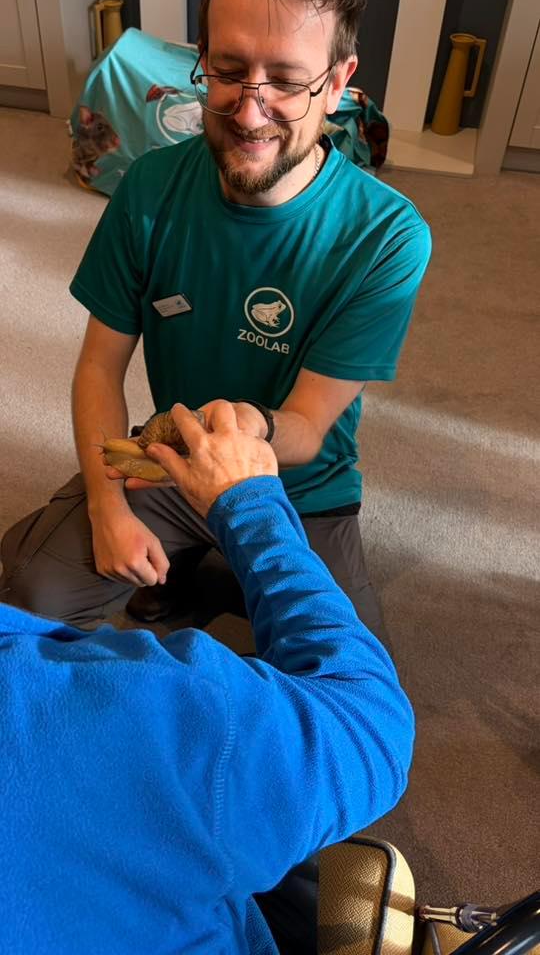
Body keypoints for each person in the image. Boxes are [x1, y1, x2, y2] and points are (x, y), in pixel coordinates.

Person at [0, 0, 431, 636]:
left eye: (286, 81)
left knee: (348, 704)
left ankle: (207, 575)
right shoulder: (149, 189)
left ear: (339, 83)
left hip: (298, 490)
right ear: (201, 62)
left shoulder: (387, 237)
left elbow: (309, 429)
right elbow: (98, 366)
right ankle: (199, 568)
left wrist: (249, 429)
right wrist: (106, 504)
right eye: (229, 72)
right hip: (173, 455)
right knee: (24, 599)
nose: (249, 112)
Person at [0, 402, 415, 955]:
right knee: (346, 664)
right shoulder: (150, 710)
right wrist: (243, 501)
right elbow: (373, 720)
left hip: (300, 485)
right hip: (209, 480)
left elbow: (311, 432)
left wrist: (260, 427)